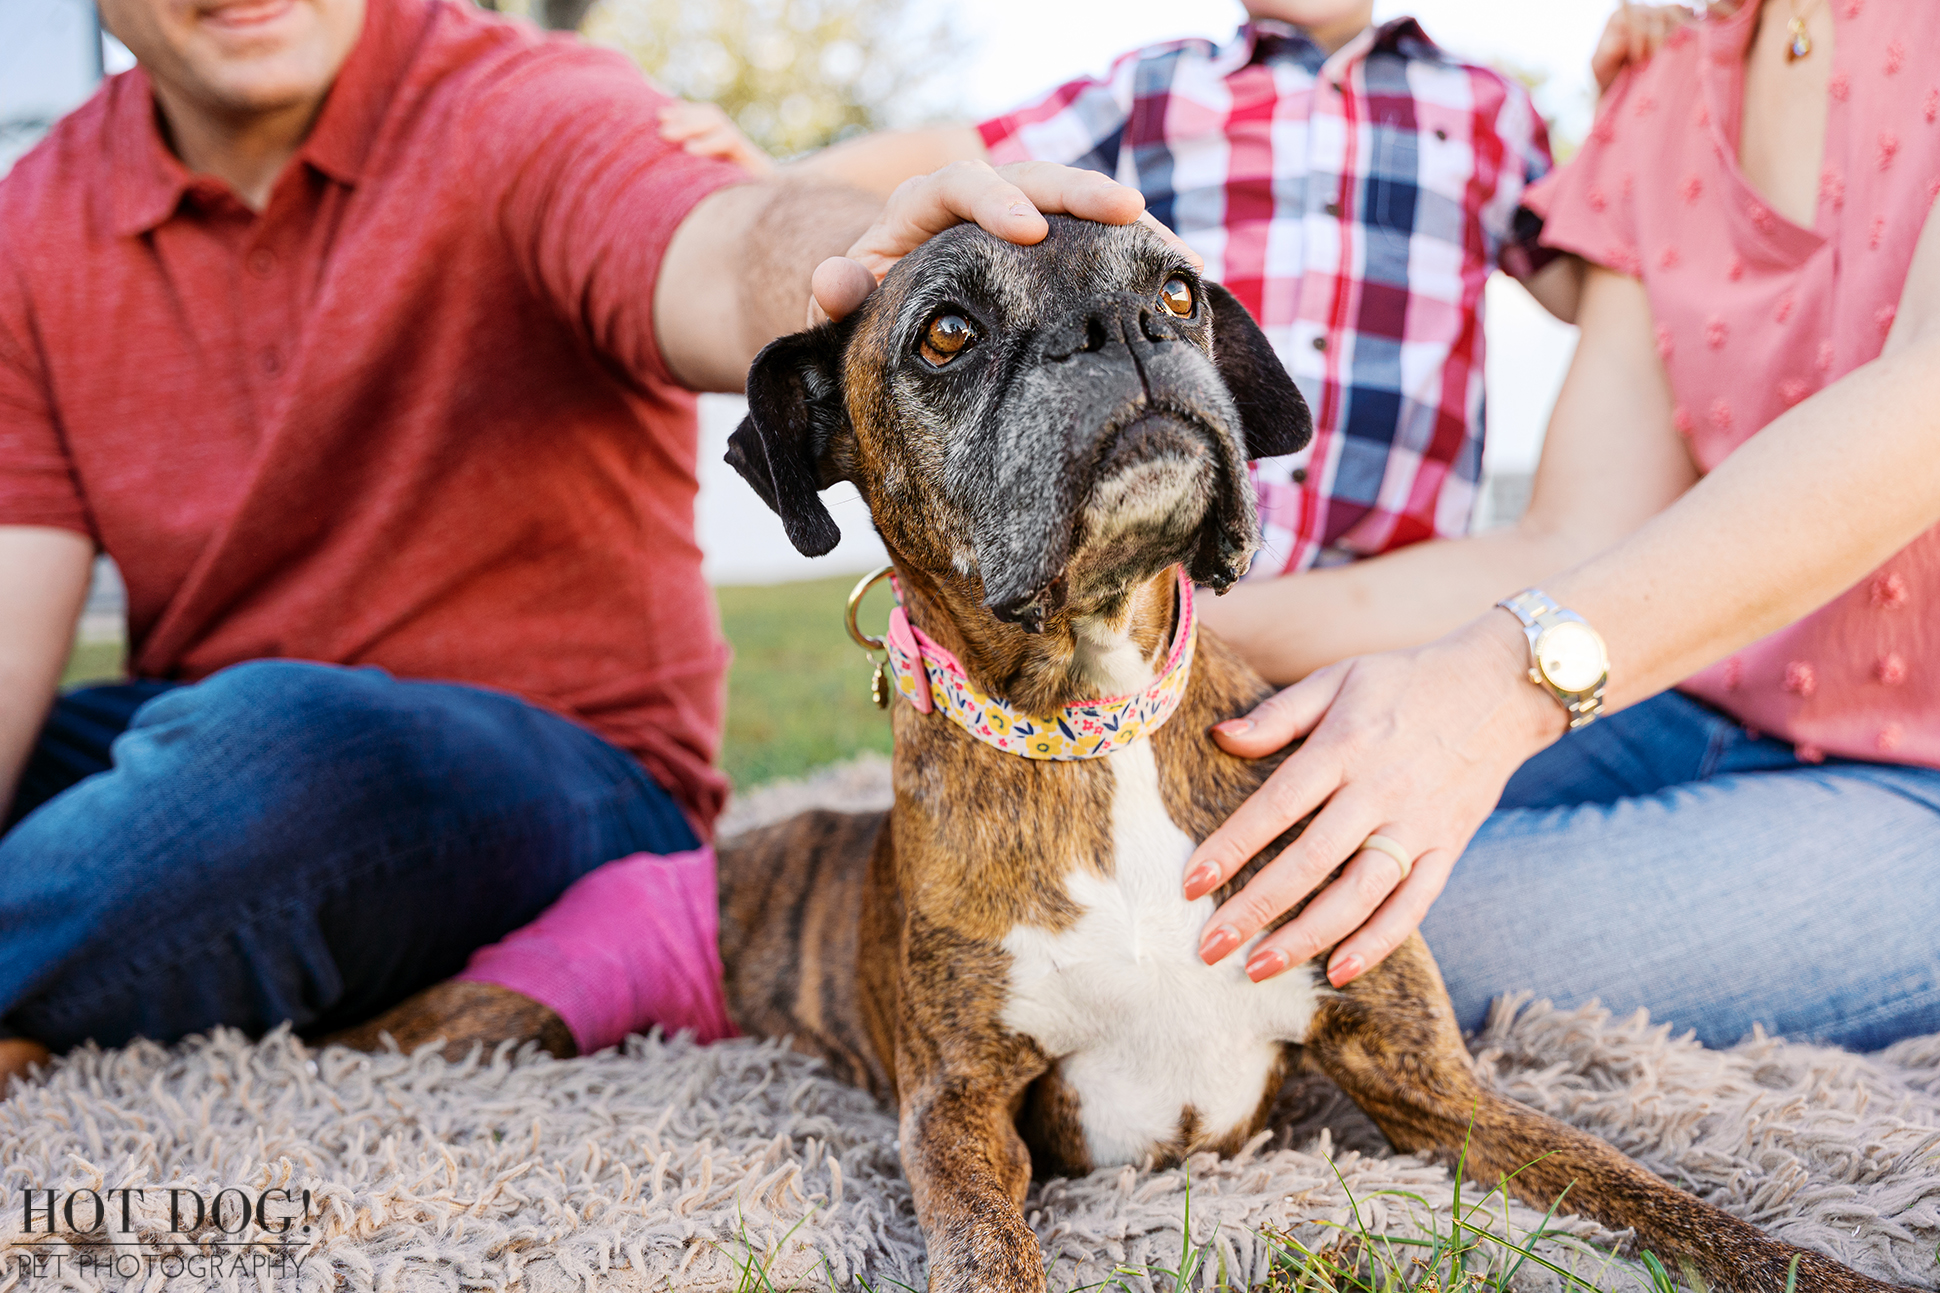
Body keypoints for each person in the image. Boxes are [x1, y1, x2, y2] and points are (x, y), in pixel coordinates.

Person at [0, 0, 1156, 1084]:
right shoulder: (38, 216)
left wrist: (889, 269)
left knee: (274, 756)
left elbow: (724, 245)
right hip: (189, 733)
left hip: (562, 779)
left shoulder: (521, 103)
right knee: (225, 750)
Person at [1178, 0, 1940, 1053]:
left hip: (1918, 777)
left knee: (1334, 934)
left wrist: (1496, 685)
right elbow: (1569, 542)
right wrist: (1173, 631)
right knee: (1203, 848)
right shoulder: (1666, 80)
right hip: (1684, 698)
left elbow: (1924, 409)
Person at [667, 0, 1577, 582]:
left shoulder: (1492, 107)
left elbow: (1587, 281)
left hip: (1400, 593)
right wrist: (781, 175)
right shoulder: (1152, 87)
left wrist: (1642, 89)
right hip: (1169, 570)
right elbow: (962, 148)